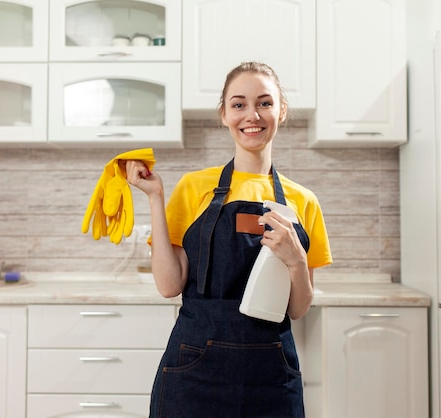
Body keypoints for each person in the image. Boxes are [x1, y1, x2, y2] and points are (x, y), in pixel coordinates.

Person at [125, 61, 332, 418]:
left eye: (265, 103)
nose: (252, 114)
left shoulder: (303, 201)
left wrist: (297, 258)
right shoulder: (193, 187)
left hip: (271, 374)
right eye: (239, 104)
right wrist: (155, 198)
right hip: (195, 368)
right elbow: (168, 285)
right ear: (224, 114)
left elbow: (297, 309)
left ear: (281, 110)